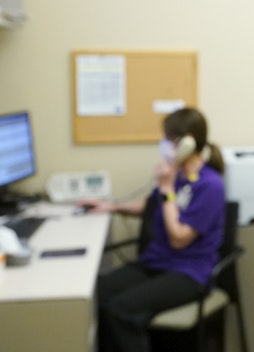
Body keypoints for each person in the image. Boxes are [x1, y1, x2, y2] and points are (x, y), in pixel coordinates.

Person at [83, 107, 226, 352]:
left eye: (169, 140)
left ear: (188, 142)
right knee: (96, 294)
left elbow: (179, 238)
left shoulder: (210, 185)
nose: (164, 145)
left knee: (122, 310)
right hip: (156, 262)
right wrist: (112, 206)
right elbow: (151, 206)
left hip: (188, 273)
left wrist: (167, 188)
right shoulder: (178, 174)